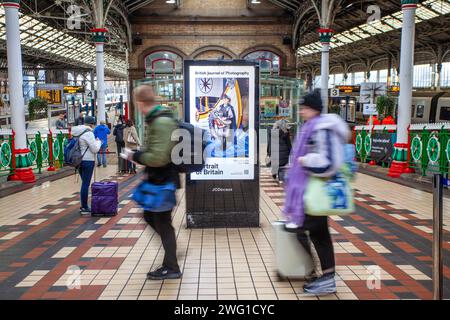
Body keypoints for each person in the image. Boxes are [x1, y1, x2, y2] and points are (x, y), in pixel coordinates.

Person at [283, 89, 350, 295]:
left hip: (314, 192)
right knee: (318, 234)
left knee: (299, 230)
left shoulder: (322, 128)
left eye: (304, 108)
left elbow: (328, 162)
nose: (301, 111)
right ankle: (324, 276)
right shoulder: (311, 127)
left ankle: (319, 275)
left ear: (314, 109)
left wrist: (304, 161)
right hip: (309, 191)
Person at [128, 84, 181, 280]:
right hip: (158, 179)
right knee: (151, 217)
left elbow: (159, 157)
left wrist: (136, 155)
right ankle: (171, 254)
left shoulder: (161, 122)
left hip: (163, 180)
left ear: (140, 102)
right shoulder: (156, 120)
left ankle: (172, 265)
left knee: (162, 222)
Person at [71, 116, 102, 215]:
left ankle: (83, 205)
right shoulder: (88, 133)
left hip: (79, 160)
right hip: (88, 160)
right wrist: (99, 142)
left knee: (84, 183)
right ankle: (84, 207)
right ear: (91, 124)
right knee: (85, 184)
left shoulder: (77, 132)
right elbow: (95, 149)